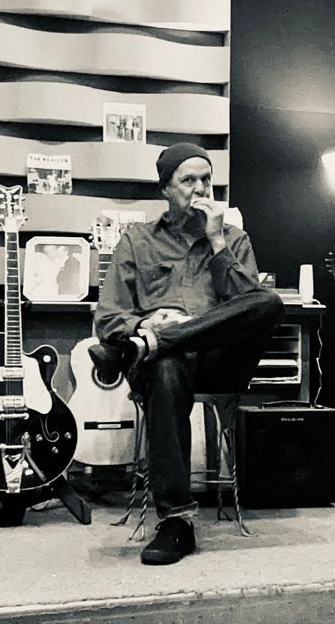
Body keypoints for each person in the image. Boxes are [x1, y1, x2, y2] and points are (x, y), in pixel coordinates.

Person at [93, 142, 285, 565]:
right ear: (165, 187)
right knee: (166, 365)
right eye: (188, 180)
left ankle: (169, 339)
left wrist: (216, 240)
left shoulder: (234, 238)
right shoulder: (137, 240)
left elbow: (248, 303)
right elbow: (108, 317)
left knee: (269, 303)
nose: (200, 189)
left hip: (219, 360)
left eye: (206, 179)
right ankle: (176, 521)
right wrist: (144, 324)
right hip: (164, 367)